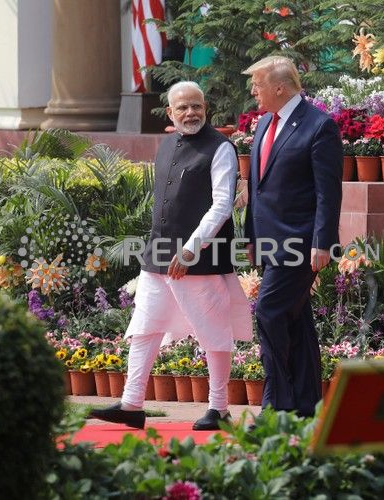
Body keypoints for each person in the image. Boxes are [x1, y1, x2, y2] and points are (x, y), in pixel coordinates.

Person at [88, 81, 253, 430]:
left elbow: (222, 205)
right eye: (183, 108)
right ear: (170, 113)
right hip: (158, 255)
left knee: (213, 332)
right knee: (144, 328)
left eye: (197, 106)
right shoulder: (166, 144)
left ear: (206, 108)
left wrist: (192, 248)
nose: (191, 113)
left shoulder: (220, 148)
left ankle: (219, 408)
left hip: (201, 258)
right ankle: (132, 404)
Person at [242, 56, 343, 418]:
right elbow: (257, 186)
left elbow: (327, 192)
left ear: (280, 87)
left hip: (300, 245)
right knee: (296, 320)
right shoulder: (264, 124)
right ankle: (306, 405)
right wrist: (252, 236)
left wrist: (322, 242)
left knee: (269, 312)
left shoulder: (319, 126)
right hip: (269, 242)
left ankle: (277, 405)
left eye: (258, 84)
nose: (254, 92)